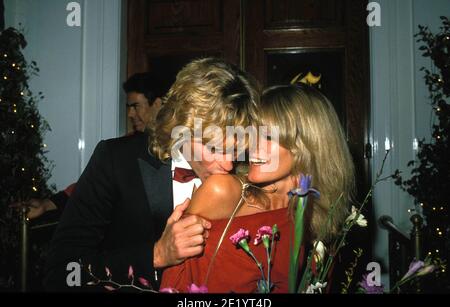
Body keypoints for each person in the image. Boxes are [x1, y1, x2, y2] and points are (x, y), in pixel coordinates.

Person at [43, 57, 260, 291]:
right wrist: (156, 255)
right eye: (215, 148)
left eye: (236, 149)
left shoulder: (249, 175)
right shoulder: (116, 161)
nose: (228, 164)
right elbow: (62, 272)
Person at [160, 84, 355, 293]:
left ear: (306, 148)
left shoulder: (317, 221)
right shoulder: (224, 192)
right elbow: (174, 280)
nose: (252, 146)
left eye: (269, 137)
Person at [11, 72, 169, 220]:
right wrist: (46, 205)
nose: (130, 114)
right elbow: (90, 187)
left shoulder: (184, 145)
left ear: (157, 104)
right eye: (129, 107)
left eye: (135, 106)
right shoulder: (124, 148)